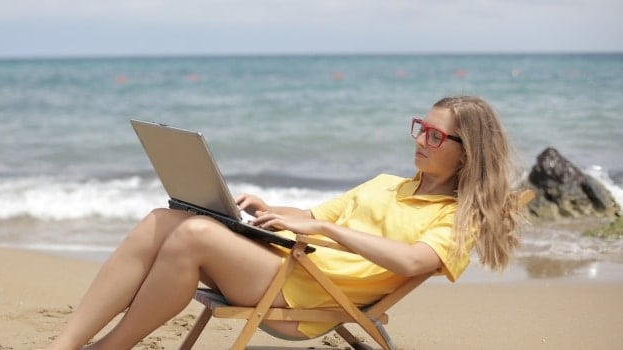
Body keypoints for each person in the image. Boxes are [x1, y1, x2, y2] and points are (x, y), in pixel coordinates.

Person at [44, 95, 523, 349]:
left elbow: (413, 260)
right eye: (422, 127)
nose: (422, 140)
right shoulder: (386, 184)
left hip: (305, 295)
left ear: (468, 153)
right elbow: (310, 218)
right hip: (282, 264)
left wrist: (330, 232)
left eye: (437, 136)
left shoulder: (458, 218)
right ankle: (64, 345)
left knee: (191, 234)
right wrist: (262, 208)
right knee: (164, 219)